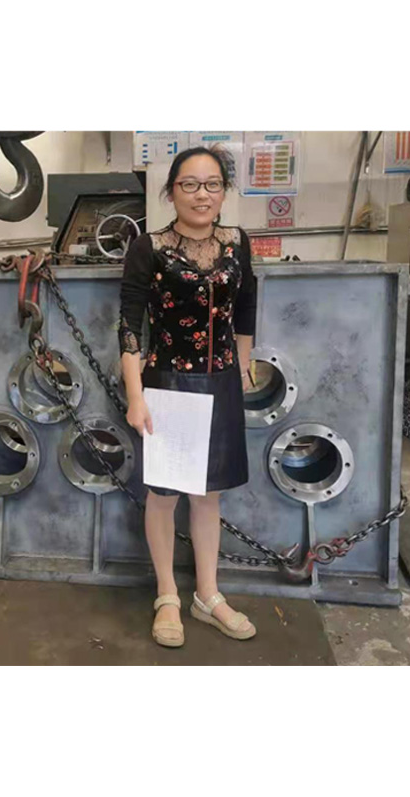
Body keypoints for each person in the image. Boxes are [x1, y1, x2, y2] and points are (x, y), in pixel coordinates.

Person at [119, 146, 258, 647]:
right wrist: (136, 396)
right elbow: (129, 325)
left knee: (207, 494)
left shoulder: (237, 242)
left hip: (220, 383)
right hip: (168, 384)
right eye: (190, 184)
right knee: (164, 495)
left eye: (213, 184)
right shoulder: (149, 247)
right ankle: (167, 596)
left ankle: (207, 595)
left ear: (224, 191)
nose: (203, 195)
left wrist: (244, 363)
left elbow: (247, 305)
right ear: (171, 191)